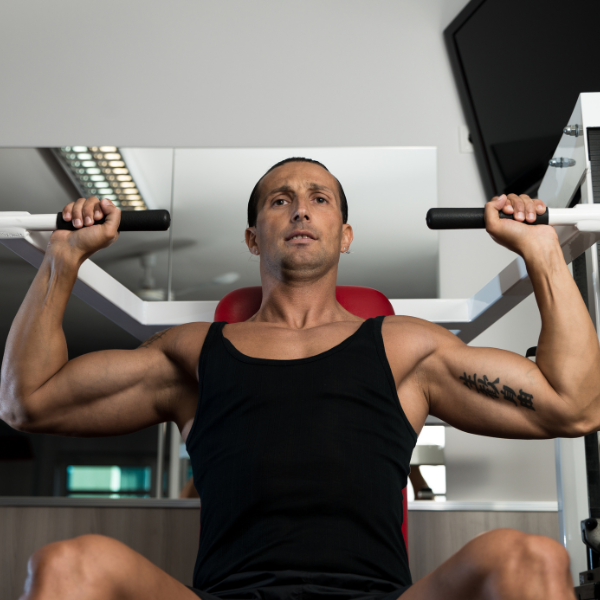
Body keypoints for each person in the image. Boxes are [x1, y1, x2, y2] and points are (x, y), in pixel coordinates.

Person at [0, 156, 593, 600]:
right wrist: (63, 257)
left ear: (345, 235)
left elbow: (575, 406)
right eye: (280, 200)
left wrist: (541, 253)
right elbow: (29, 402)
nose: (301, 208)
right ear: (254, 236)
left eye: (320, 198)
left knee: (533, 558)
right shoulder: (195, 355)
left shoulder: (403, 347)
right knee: (65, 565)